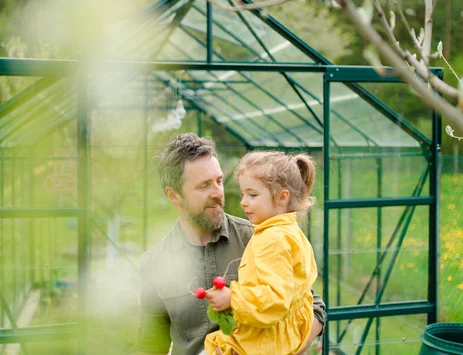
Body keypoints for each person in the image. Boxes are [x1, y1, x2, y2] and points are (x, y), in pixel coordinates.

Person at [136, 133, 325, 355]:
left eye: (218, 180)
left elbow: (314, 308)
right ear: (174, 195)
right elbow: (151, 345)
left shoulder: (259, 238)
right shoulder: (155, 263)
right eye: (204, 186)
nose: (218, 193)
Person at [204, 151, 318, 355]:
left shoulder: (273, 240)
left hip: (267, 339)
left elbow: (275, 299)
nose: (243, 202)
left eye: (253, 194)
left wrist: (232, 298)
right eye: (242, 194)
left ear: (282, 197)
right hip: (279, 333)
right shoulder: (287, 231)